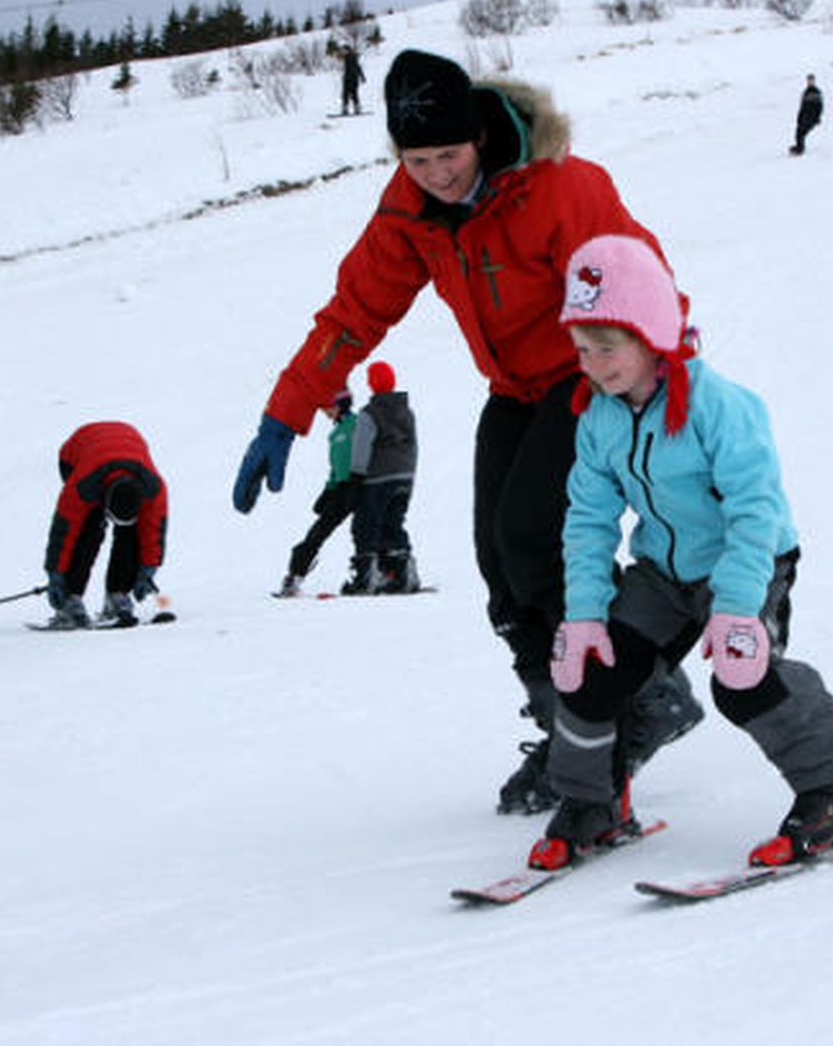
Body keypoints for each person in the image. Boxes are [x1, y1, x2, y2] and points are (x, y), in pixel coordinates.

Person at [232, 48, 703, 814]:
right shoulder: (408, 210)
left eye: (448, 155)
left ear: (479, 137)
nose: (436, 174)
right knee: (497, 561)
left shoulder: (559, 187)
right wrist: (286, 410)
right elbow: (355, 310)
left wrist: (666, 369)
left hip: (589, 376)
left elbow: (635, 274)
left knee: (533, 538)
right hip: (513, 388)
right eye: (417, 159)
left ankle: (641, 698)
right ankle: (569, 726)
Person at [528, 234, 833, 871]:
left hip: (748, 564)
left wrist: (739, 606)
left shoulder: (720, 409)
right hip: (664, 574)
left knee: (744, 678)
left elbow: (756, 510)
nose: (594, 365)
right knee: (587, 673)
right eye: (582, 350)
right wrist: (584, 613)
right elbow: (588, 521)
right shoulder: (599, 419)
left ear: (652, 334)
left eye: (609, 347)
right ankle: (593, 801)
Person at [42, 421, 167, 629]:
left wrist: (147, 568)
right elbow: (64, 531)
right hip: (75, 453)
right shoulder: (83, 484)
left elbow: (154, 530)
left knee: (131, 534)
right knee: (88, 528)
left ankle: (117, 595)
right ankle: (70, 599)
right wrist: (56, 574)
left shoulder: (152, 488)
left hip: (125, 447)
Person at [341, 361, 419, 595]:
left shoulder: (370, 413)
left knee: (365, 524)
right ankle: (400, 571)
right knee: (393, 522)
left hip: (378, 477)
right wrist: (409, 474)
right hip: (404, 475)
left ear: (372, 383)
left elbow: (361, 447)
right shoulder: (407, 411)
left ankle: (366, 577)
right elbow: (414, 444)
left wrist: (356, 476)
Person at [277, 387, 358, 598]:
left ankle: (379, 571)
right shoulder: (335, 434)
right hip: (341, 489)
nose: (324, 411)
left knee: (367, 530)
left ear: (341, 405)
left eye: (328, 406)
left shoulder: (357, 424)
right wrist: (328, 491)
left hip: (359, 485)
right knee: (318, 532)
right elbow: (335, 468)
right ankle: (295, 576)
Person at [790, 74, 823, 156]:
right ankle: (799, 147)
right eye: (808, 80)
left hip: (812, 117)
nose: (810, 82)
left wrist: (817, 117)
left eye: (811, 80)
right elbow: (802, 106)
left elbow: (820, 106)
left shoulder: (816, 92)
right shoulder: (806, 92)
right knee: (799, 132)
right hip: (805, 116)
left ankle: (800, 149)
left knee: (801, 132)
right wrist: (799, 117)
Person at [340, 44, 365, 116]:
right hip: (353, 79)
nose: (342, 52)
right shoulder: (350, 57)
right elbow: (358, 67)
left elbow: (354, 68)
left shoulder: (350, 57)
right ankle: (356, 109)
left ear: (347, 50)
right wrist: (362, 77)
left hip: (350, 79)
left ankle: (347, 109)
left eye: (343, 50)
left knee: (347, 94)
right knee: (353, 94)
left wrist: (349, 78)